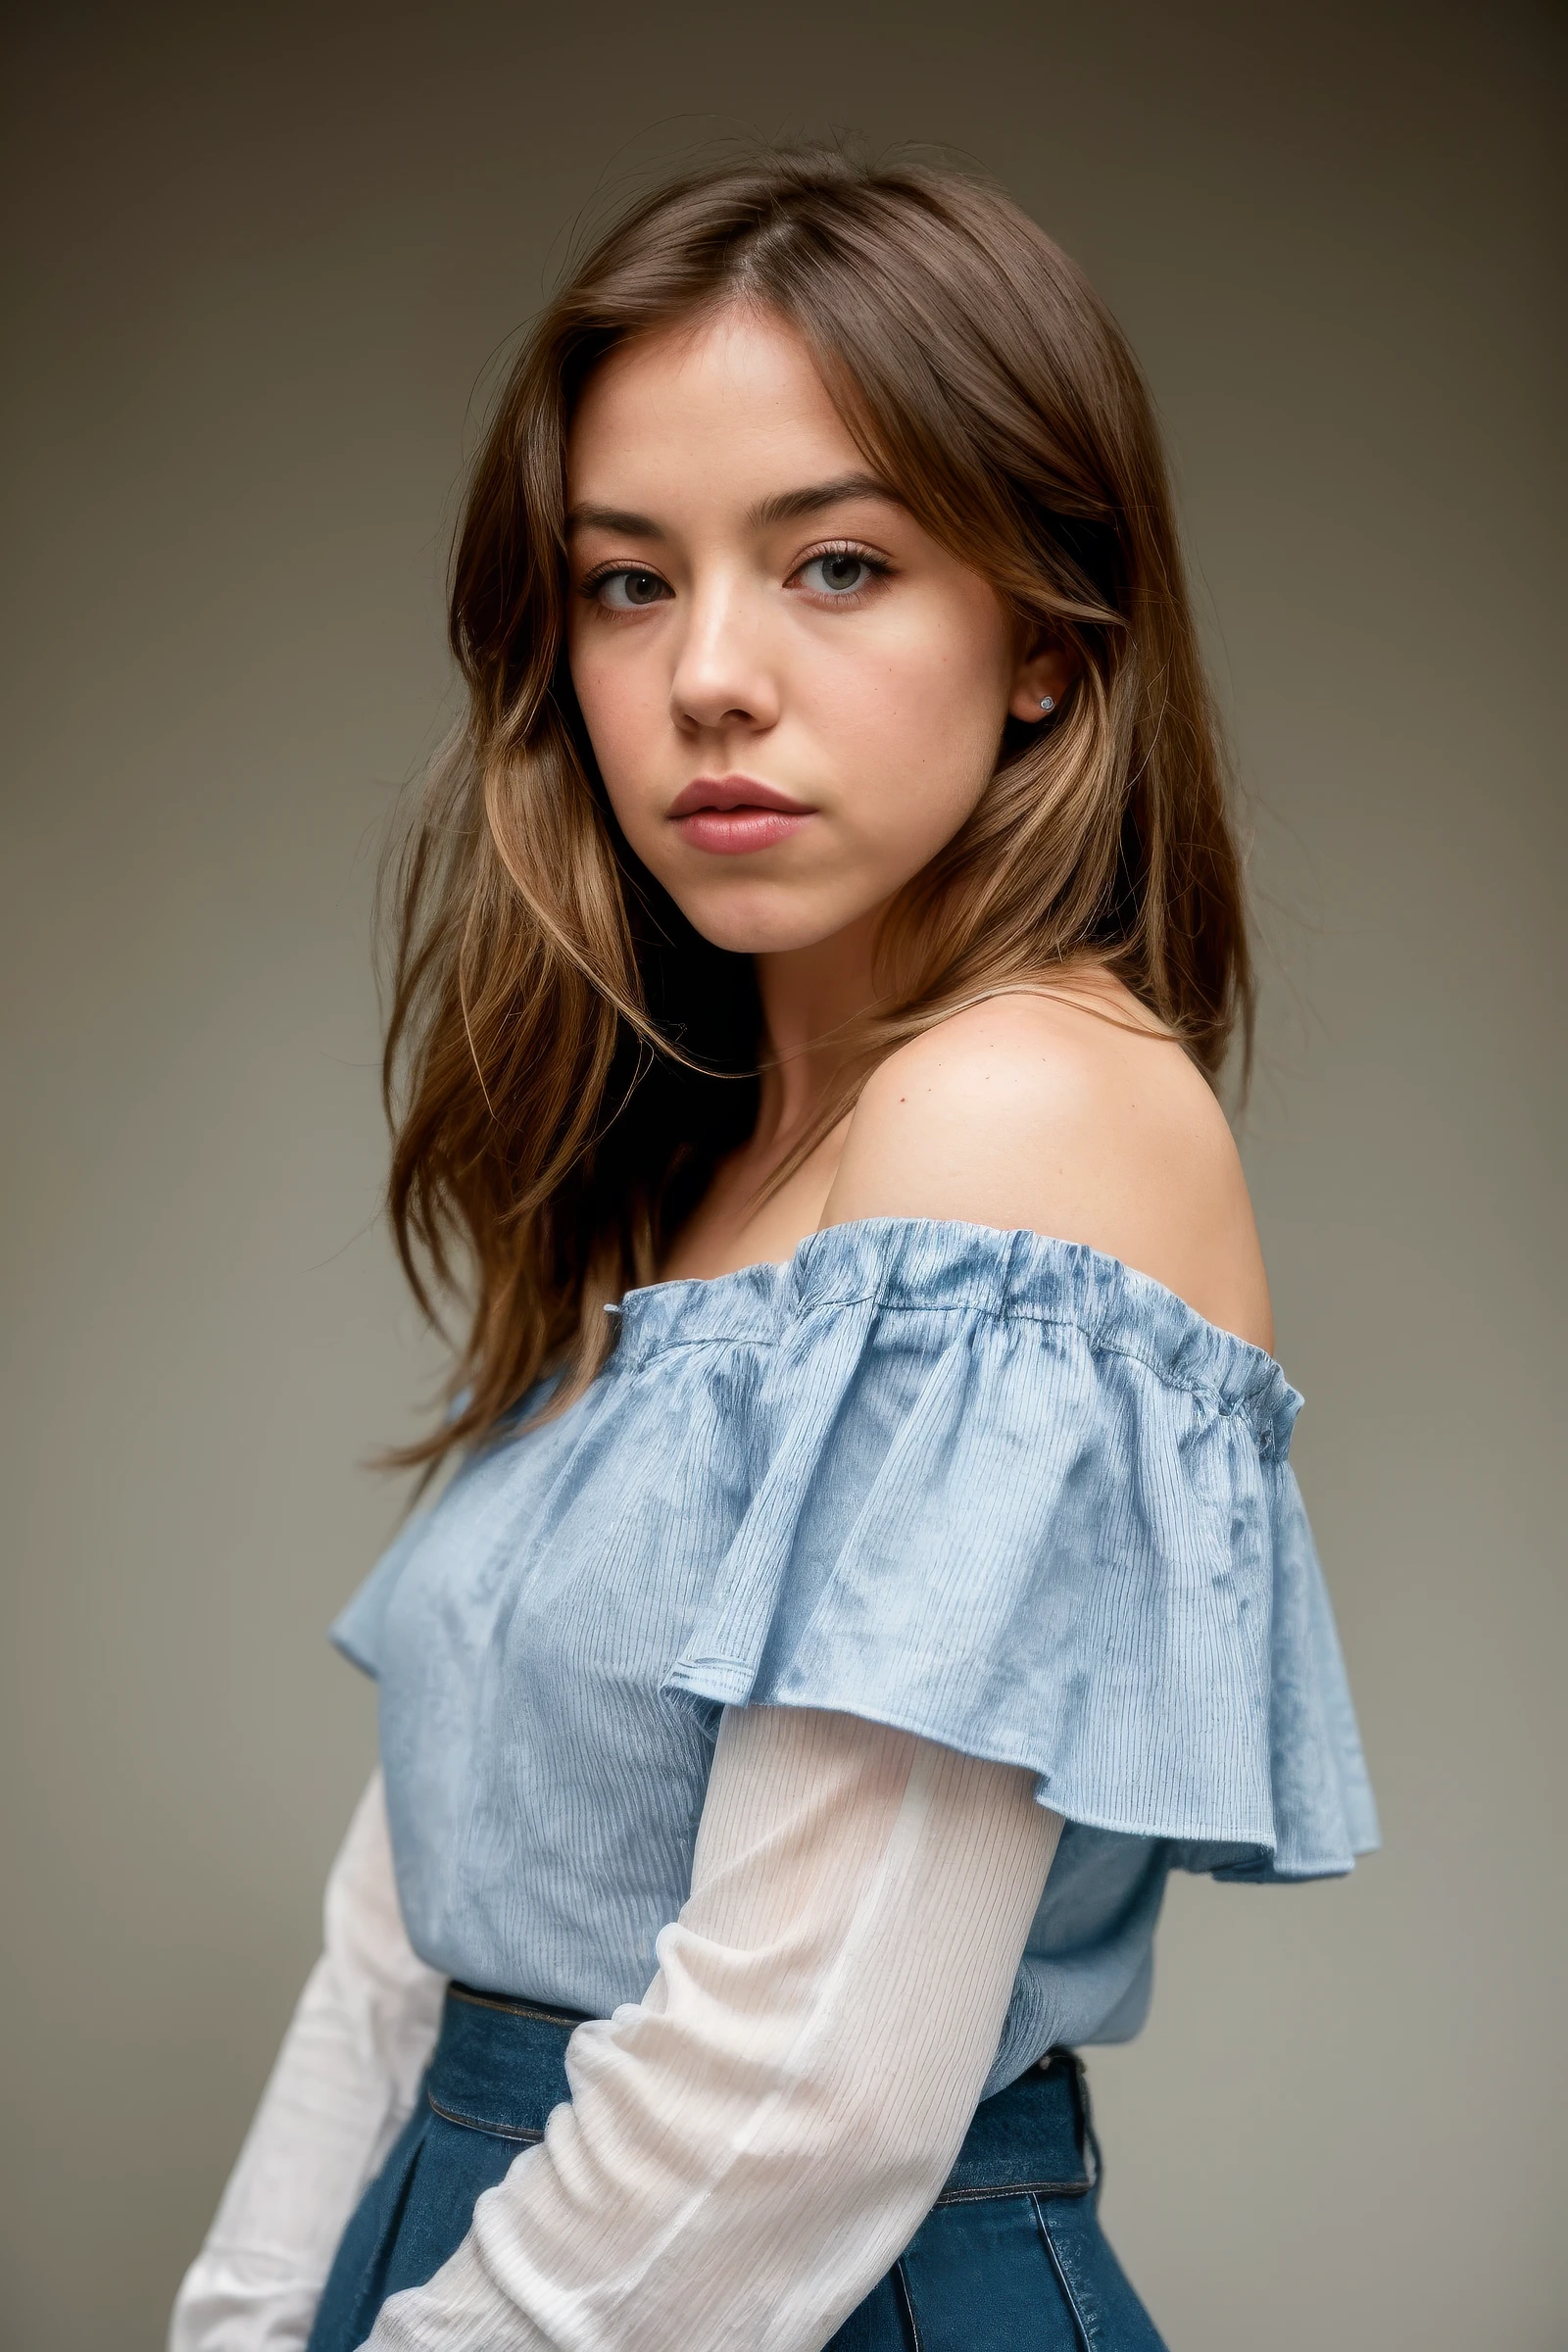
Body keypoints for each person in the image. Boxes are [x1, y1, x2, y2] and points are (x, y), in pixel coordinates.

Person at [169, 148, 1378, 2352]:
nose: (706, 676)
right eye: (627, 585)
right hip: (488, 2271)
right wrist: (249, 2324)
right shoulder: (693, 1163)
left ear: (1042, 637)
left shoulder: (1029, 1119)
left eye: (833, 562)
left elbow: (805, 2092)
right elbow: (418, 1921)